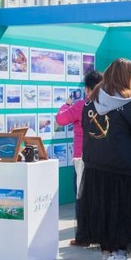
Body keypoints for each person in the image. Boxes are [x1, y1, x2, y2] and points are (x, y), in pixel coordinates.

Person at [79, 58, 131, 260]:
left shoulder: (90, 102)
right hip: (125, 168)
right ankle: (119, 255)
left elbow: (87, 131)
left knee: (101, 212)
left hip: (95, 166)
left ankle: (107, 256)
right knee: (125, 212)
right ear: (123, 77)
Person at [56, 69, 103, 247]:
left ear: (87, 89)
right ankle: (99, 234)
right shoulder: (107, 105)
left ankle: (83, 237)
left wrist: (66, 104)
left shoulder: (81, 105)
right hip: (101, 157)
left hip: (81, 158)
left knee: (81, 197)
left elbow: (61, 119)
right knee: (99, 197)